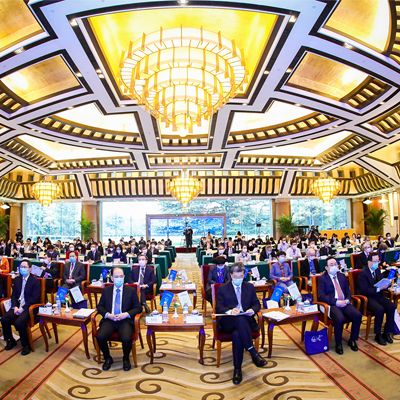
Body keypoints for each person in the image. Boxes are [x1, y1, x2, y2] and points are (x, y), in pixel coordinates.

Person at [215, 262, 267, 384]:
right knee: (239, 319)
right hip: (229, 321)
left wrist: (252, 310)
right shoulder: (223, 288)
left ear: (244, 275)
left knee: (237, 334)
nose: (238, 279)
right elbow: (218, 307)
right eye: (236, 276)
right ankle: (253, 352)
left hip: (246, 322)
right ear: (231, 275)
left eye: (241, 276)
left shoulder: (249, 287)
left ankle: (237, 370)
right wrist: (230, 311)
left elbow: (257, 304)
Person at [96, 267, 142, 371]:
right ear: (112, 278)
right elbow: (100, 307)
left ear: (124, 277)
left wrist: (126, 314)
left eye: (121, 276)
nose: (119, 279)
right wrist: (108, 315)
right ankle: (108, 358)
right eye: (116, 277)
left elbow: (138, 308)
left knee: (126, 338)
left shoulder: (131, 291)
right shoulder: (106, 290)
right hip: (110, 319)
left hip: (125, 320)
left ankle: (126, 358)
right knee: (100, 336)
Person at [318, 256, 362, 354]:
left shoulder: (341, 276)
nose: (334, 266)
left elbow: (348, 291)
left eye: (335, 264)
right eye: (331, 265)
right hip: (332, 304)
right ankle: (338, 343)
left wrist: (347, 300)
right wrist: (335, 302)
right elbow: (321, 296)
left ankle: (353, 340)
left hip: (344, 303)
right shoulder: (322, 279)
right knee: (340, 319)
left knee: (358, 315)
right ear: (326, 268)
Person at [0, 260, 41, 355]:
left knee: (19, 323)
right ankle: (11, 340)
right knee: (4, 319)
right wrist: (14, 306)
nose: (22, 269)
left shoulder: (35, 281)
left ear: (30, 269)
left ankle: (26, 345)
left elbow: (34, 299)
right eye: (21, 267)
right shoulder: (18, 279)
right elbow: (14, 295)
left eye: (25, 267)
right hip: (17, 306)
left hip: (28, 307)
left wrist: (22, 308)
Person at [357, 252, 396, 346]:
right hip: (368, 298)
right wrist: (379, 289)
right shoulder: (363, 273)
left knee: (391, 306)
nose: (376, 263)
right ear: (369, 262)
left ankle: (387, 332)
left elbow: (380, 283)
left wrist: (387, 284)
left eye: (378, 261)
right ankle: (378, 334)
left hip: (378, 296)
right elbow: (364, 290)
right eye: (375, 261)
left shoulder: (378, 270)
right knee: (380, 309)